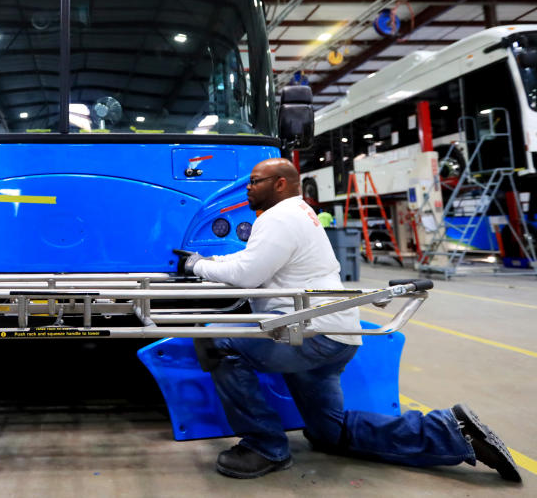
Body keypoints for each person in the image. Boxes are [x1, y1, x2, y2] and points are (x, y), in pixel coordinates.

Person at [177, 158, 520, 482]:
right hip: (334, 334)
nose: (248, 188)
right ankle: (452, 432)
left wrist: (196, 265)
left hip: (310, 334)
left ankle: (264, 447)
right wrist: (213, 261)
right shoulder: (300, 212)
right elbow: (252, 259)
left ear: (280, 184)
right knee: (330, 433)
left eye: (254, 182)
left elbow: (247, 273)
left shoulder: (278, 216)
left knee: (217, 342)